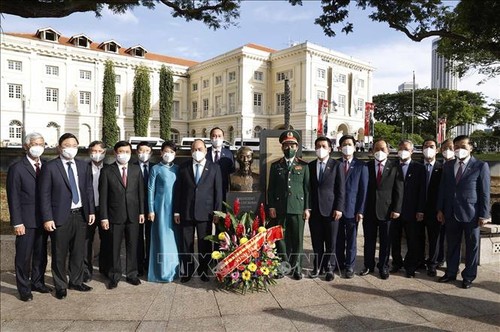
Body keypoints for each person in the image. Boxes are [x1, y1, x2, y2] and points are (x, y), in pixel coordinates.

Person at [39, 133, 95, 300]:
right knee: (59, 253)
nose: (70, 148)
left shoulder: (83, 166)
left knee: (78, 251)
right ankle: (61, 285)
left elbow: (88, 190)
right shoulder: (50, 167)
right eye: (67, 145)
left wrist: (91, 211)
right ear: (59, 147)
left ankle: (76, 281)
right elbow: (44, 194)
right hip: (60, 217)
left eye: (74, 145)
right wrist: (47, 218)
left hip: (80, 215)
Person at [437, 135, 490, 289]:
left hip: (472, 214)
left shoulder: (480, 166)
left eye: (463, 146)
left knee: (472, 246)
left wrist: (484, 214)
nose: (460, 149)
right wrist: (440, 209)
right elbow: (443, 188)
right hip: (451, 211)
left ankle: (468, 276)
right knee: (452, 244)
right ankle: (451, 272)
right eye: (457, 147)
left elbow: (484, 192)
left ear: (471, 148)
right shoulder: (448, 166)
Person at [7, 132, 51, 301]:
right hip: (25, 221)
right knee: (24, 256)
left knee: (40, 254)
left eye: (41, 143)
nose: (38, 146)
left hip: (44, 219)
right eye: (34, 143)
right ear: (26, 146)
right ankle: (24, 288)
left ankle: (38, 282)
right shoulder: (17, 168)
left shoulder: (46, 165)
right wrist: (17, 222)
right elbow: (13, 198)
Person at [174, 139, 222, 283]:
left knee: (204, 244)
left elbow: (218, 192)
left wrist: (217, 212)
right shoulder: (183, 168)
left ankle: (203, 270)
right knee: (186, 243)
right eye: (194, 149)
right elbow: (178, 191)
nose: (197, 152)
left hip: (205, 213)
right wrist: (176, 211)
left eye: (200, 149)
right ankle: (187, 271)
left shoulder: (214, 168)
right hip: (186, 211)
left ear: (206, 151)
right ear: (190, 151)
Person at [99, 141, 144, 289]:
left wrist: (142, 212)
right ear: (115, 153)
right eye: (121, 151)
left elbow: (140, 193)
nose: (124, 154)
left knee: (133, 246)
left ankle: (132, 274)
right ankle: (114, 276)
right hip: (114, 216)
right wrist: (104, 216)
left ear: (131, 153)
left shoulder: (136, 170)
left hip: (133, 215)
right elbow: (103, 196)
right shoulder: (107, 171)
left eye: (127, 152)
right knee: (114, 247)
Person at [268, 130, 310, 280]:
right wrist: (271, 206)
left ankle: (297, 267)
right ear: (282, 147)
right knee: (281, 239)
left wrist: (307, 208)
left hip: (298, 208)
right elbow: (271, 188)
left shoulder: (304, 166)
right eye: (286, 145)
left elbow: (307, 189)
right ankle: (283, 267)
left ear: (297, 147)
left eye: (292, 145)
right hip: (280, 208)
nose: (289, 148)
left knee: (298, 239)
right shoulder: (275, 166)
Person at [359, 138, 403, 280]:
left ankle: (383, 267)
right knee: (369, 241)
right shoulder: (367, 167)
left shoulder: (395, 167)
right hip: (369, 210)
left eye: (382, 149)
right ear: (372, 151)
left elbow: (399, 190)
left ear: (388, 151)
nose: (379, 152)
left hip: (387, 210)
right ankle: (368, 265)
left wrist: (396, 209)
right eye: (376, 149)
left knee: (385, 242)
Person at [308, 136, 344, 281]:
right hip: (315, 210)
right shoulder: (310, 166)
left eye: (323, 146)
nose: (320, 149)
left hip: (331, 210)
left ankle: (329, 268)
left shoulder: (336, 165)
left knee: (331, 242)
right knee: (316, 241)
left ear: (330, 149)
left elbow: (340, 189)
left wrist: (339, 208)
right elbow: (308, 189)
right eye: (318, 146)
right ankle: (317, 267)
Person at [390, 139, 425, 278]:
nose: (403, 151)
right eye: (401, 148)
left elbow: (422, 191)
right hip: (394, 211)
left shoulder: (419, 168)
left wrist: (420, 210)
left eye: (406, 149)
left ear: (412, 151)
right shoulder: (392, 166)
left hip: (412, 211)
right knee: (395, 240)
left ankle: (410, 266)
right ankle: (396, 263)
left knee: (412, 240)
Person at [336, 135, 368, 279]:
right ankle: (339, 263)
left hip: (352, 209)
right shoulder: (335, 164)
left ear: (355, 147)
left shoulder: (362, 166)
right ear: (339, 147)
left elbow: (363, 190)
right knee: (338, 238)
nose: (347, 146)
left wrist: (360, 210)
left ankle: (350, 266)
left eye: (349, 144)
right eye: (344, 144)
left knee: (351, 240)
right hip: (336, 209)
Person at [147, 141, 180, 282]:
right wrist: (151, 209)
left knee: (173, 239)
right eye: (166, 151)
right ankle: (160, 272)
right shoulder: (155, 168)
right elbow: (150, 189)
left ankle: (174, 271)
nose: (169, 154)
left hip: (175, 208)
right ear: (161, 153)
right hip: (160, 208)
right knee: (161, 239)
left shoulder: (177, 168)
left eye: (172, 152)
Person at [83, 140, 111, 281]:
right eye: (94, 151)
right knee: (86, 241)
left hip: (104, 209)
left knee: (106, 239)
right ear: (89, 152)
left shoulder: (109, 169)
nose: (97, 154)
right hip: (88, 209)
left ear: (105, 153)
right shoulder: (83, 168)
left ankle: (104, 269)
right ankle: (86, 271)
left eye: (100, 151)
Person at [420, 138, 443, 277]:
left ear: (437, 149)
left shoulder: (442, 168)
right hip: (419, 209)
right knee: (418, 237)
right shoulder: (416, 167)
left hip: (435, 210)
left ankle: (432, 264)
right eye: (426, 146)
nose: (428, 148)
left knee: (434, 239)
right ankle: (419, 261)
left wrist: (441, 209)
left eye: (432, 146)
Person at [135, 141, 155, 277]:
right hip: (136, 208)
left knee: (150, 236)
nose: (144, 153)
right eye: (141, 151)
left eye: (147, 151)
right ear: (137, 152)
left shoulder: (155, 167)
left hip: (151, 208)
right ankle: (138, 265)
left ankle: (149, 263)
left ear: (151, 153)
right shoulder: (131, 167)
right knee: (136, 238)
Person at [436, 138, 455, 266]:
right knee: (439, 236)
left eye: (451, 148)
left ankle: (453, 263)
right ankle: (440, 259)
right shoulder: (437, 165)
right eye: (445, 148)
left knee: (453, 239)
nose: (447, 151)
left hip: (455, 208)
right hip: (439, 206)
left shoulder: (458, 165)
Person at [206, 127, 235, 198]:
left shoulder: (229, 154)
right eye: (214, 136)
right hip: (207, 189)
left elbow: (232, 172)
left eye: (219, 136)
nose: (217, 138)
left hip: (223, 190)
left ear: (223, 138)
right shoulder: (205, 152)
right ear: (210, 137)